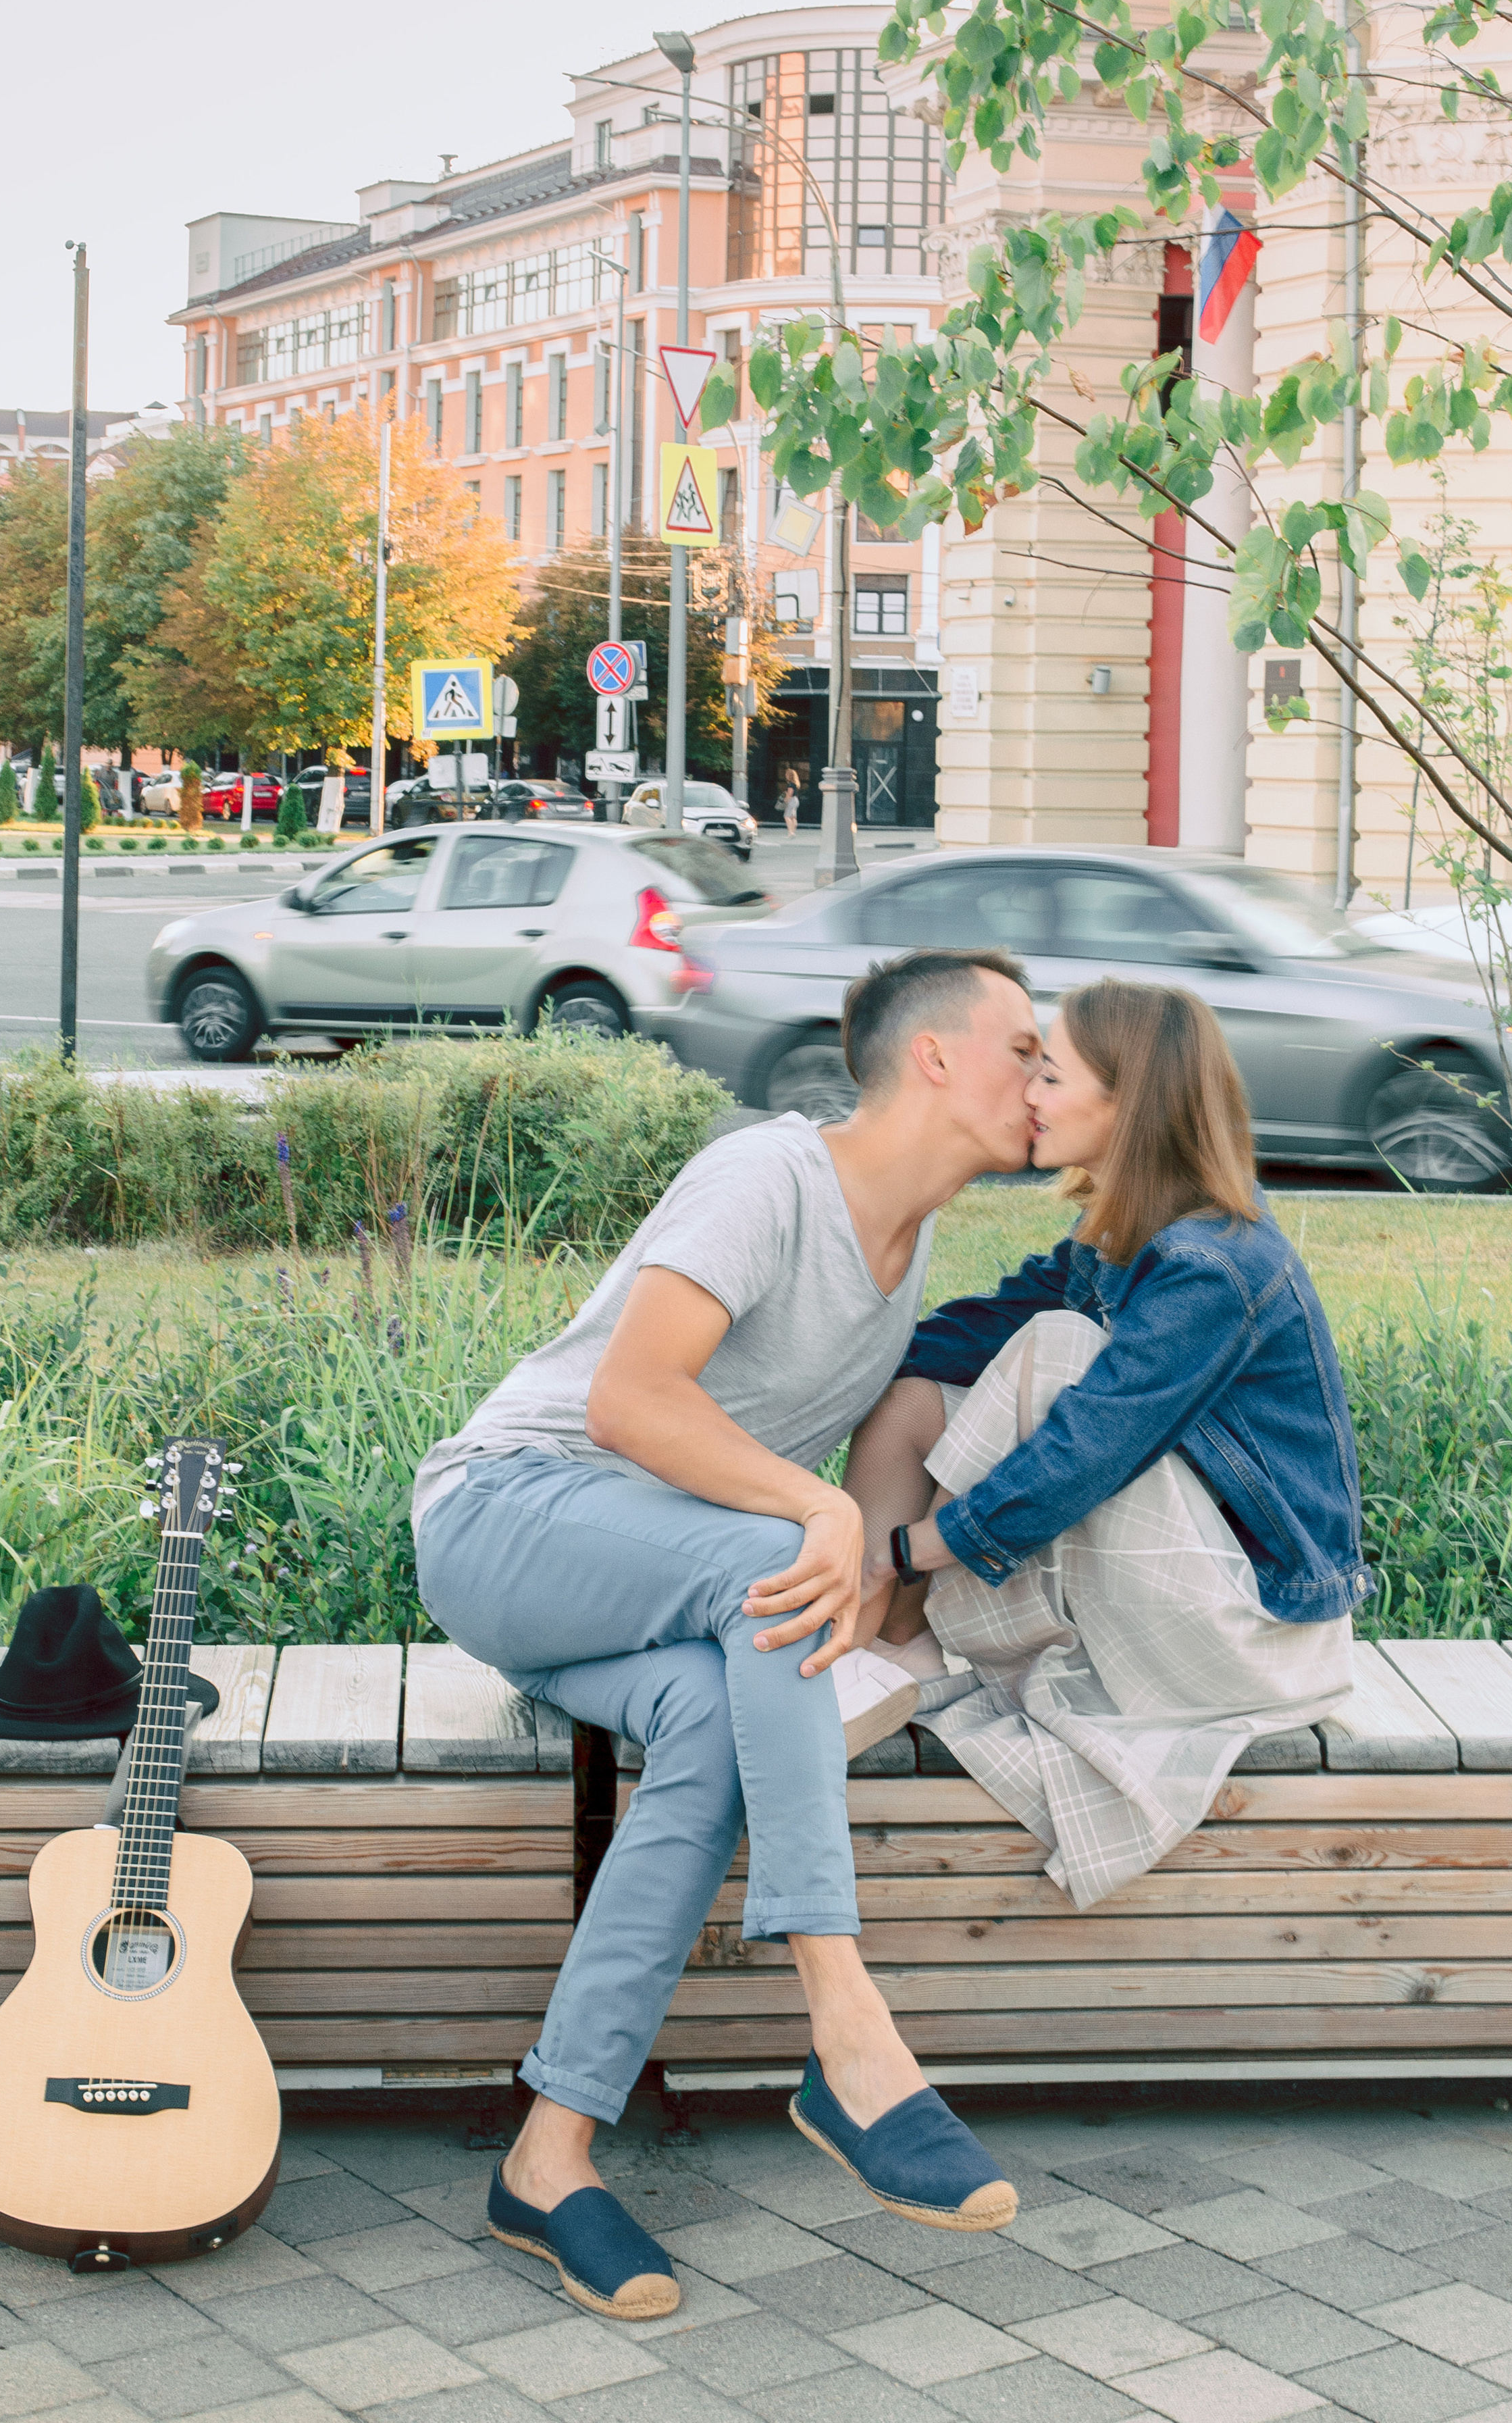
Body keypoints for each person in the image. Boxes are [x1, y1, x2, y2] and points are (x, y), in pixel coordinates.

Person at [411, 950, 1039, 2320]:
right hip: (507, 1519)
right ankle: (845, 2023)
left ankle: (548, 2153)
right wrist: (806, 1513)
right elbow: (633, 1405)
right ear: (932, 1056)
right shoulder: (771, 1177)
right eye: (1021, 1047)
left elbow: (836, 1543)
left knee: (713, 1713)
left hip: (644, 1591)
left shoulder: (911, 1239)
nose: (1040, 1077)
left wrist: (871, 1576)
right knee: (767, 1562)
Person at [843, 978, 1365, 1911]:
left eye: (1049, 1073)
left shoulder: (1216, 1265)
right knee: (914, 1392)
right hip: (1181, 1591)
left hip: (1263, 1637)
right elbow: (965, 1335)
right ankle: (884, 1646)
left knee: (1058, 1352)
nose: (1030, 1095)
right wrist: (831, 1373)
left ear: (1129, 1103)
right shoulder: (1122, 1240)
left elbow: (1090, 1448)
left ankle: (888, 1599)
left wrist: (906, 1550)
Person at [781, 765, 800, 837]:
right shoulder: (796, 784)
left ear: (790, 775)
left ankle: (790, 832)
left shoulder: (790, 784)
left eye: (787, 774)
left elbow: (790, 793)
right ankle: (793, 832)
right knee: (793, 817)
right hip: (796, 800)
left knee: (787, 816)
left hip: (791, 800)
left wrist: (786, 800)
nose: (786, 775)